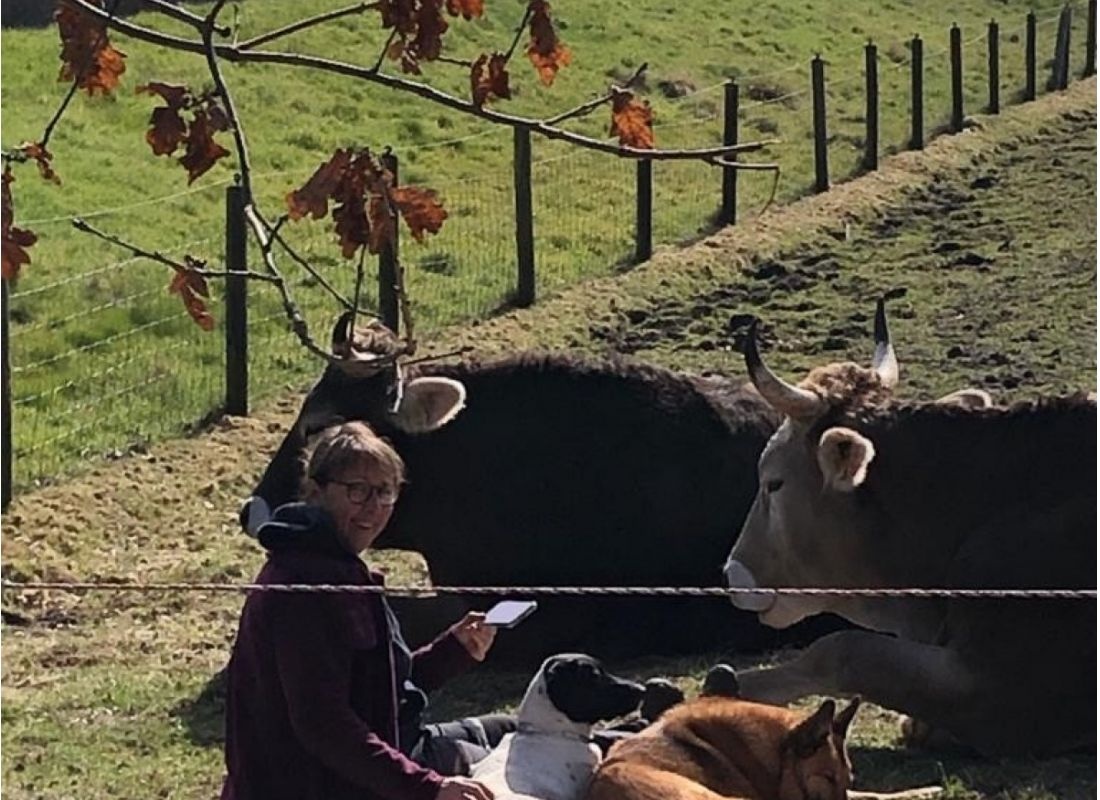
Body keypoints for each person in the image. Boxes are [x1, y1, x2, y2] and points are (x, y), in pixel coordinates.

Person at [220, 421, 513, 800]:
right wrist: (428, 789)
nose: (374, 507)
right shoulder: (305, 584)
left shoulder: (339, 569)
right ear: (316, 490)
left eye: (385, 492)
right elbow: (324, 724)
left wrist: (453, 651)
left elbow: (374, 692)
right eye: (358, 491)